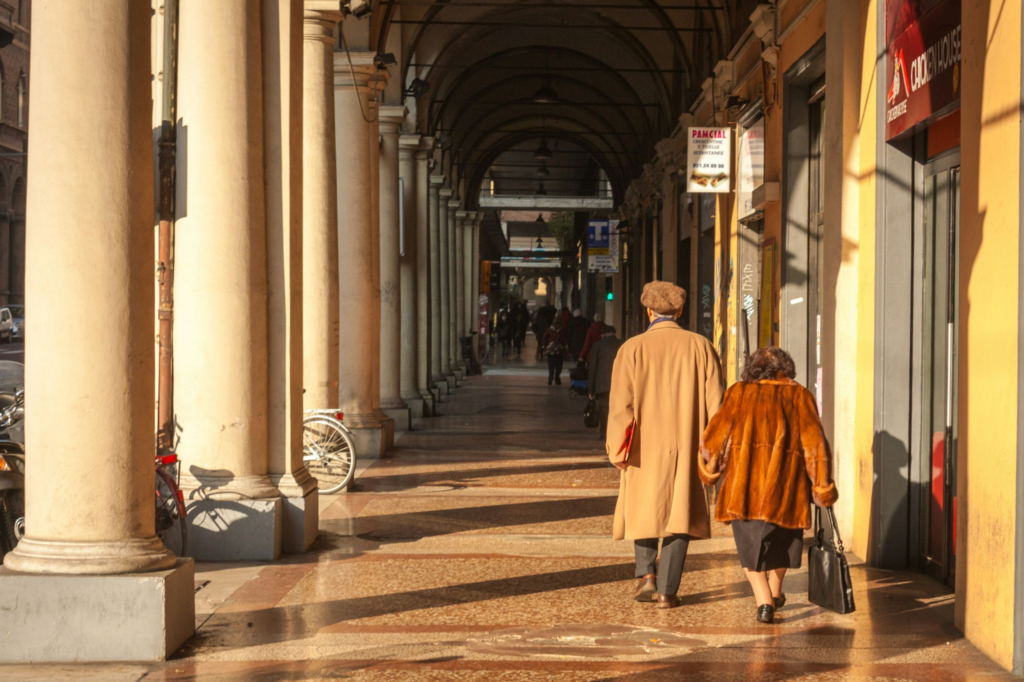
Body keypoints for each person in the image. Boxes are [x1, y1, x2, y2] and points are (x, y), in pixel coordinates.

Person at [698, 346, 838, 624]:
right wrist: (821, 485)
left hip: (744, 488)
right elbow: (816, 445)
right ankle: (774, 592)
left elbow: (714, 438)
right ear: (786, 368)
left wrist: (709, 469)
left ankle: (764, 602)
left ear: (753, 369)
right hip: (786, 490)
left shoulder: (738, 392)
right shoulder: (800, 396)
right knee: (784, 545)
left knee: (749, 548)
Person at [607, 281, 723, 609]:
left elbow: (620, 408)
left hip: (644, 446)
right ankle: (667, 592)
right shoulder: (701, 346)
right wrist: (713, 451)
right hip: (688, 445)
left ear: (648, 312)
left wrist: (617, 450)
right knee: (680, 514)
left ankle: (646, 574)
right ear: (680, 311)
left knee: (645, 507)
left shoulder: (631, 349)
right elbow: (717, 406)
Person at [588, 325, 622, 440]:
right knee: (618, 409)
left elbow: (593, 368)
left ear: (602, 335)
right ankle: (617, 433)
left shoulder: (597, 346)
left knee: (603, 410)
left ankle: (604, 433)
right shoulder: (622, 344)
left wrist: (591, 389)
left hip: (602, 385)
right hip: (620, 384)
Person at [541, 320, 568, 385]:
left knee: (551, 364)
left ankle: (551, 376)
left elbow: (545, 339)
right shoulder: (562, 330)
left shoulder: (549, 329)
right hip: (559, 350)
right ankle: (557, 378)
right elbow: (565, 339)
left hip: (550, 350)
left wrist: (545, 346)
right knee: (559, 365)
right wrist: (565, 348)